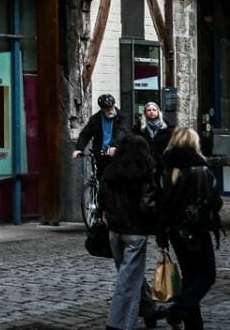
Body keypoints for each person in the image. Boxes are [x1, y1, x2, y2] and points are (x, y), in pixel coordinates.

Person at [151, 127, 222, 330]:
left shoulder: (164, 168)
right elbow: (214, 201)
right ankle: (178, 310)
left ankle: (193, 324)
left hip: (174, 230)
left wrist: (161, 236)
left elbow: (159, 206)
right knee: (207, 276)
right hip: (195, 229)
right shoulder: (201, 169)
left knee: (190, 277)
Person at [99, 133, 161, 330]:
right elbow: (148, 206)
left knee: (130, 274)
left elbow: (102, 199)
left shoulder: (110, 171)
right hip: (135, 231)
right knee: (128, 279)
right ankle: (118, 324)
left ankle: (149, 309)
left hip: (115, 231)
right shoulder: (144, 174)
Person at [74, 93, 127, 172]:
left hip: (117, 154)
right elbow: (86, 134)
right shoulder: (95, 119)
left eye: (111, 107)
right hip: (101, 154)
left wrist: (115, 146)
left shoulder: (121, 117)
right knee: (101, 175)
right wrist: (79, 148)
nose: (110, 111)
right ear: (102, 109)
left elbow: (121, 132)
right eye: (107, 109)